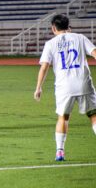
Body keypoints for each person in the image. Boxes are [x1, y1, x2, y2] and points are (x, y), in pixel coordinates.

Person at [34, 14, 96, 161]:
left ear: (53, 28)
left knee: (63, 117)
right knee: (93, 115)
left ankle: (60, 151)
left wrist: (38, 88)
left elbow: (44, 67)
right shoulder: (80, 38)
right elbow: (94, 53)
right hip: (83, 82)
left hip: (64, 86)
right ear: (69, 27)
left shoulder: (50, 43)